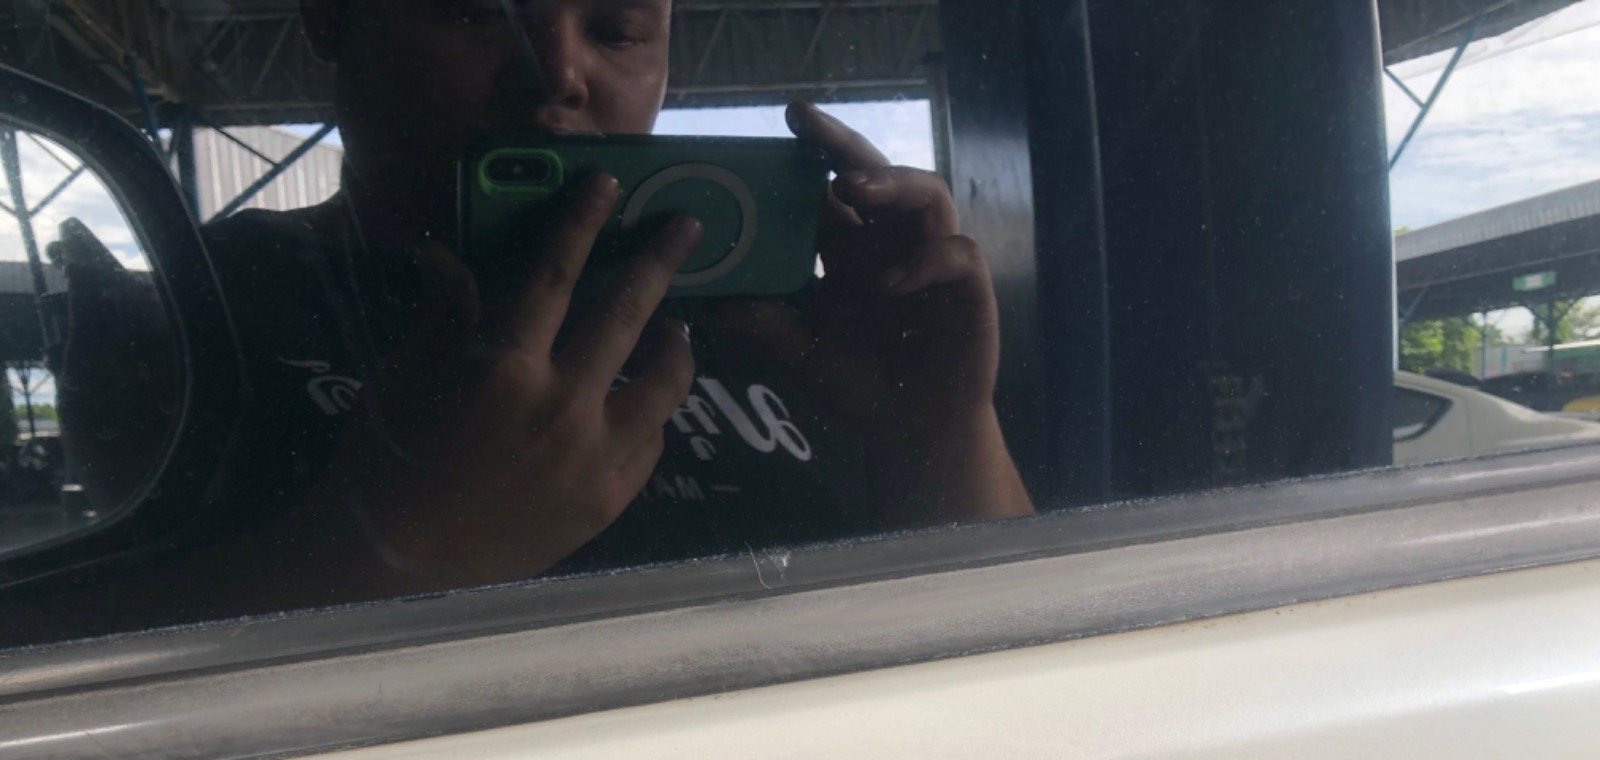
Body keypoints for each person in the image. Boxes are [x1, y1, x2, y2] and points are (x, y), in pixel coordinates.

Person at [48, 0, 1034, 622]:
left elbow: (1007, 656)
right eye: (477, 13)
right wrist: (394, 551)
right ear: (331, 18)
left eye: (616, 29)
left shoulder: (786, 320)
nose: (559, 72)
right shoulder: (197, 306)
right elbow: (63, 662)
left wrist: (939, 431)